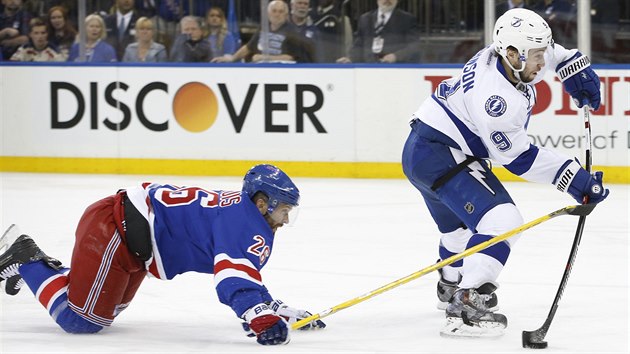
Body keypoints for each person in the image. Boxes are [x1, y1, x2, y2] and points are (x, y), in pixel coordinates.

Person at [401, 8, 608, 337]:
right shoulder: (496, 100)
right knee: (502, 221)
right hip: (443, 156)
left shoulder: (504, 54)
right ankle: (466, 306)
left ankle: (449, 285)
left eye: (541, 54)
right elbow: (517, 158)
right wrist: (574, 177)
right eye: (536, 57)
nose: (542, 63)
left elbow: (545, 49)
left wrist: (572, 67)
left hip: (421, 151)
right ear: (512, 54)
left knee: (459, 232)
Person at [0, 164, 325, 345]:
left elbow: (245, 275)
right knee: (81, 320)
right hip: (114, 230)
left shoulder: (247, 217)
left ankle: (47, 271)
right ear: (261, 202)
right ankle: (25, 257)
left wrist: (269, 309)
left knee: (109, 309)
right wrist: (258, 316)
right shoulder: (246, 224)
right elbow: (232, 279)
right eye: (283, 210)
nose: (285, 220)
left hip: (131, 243)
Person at [212, 0, 313, 64]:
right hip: (261, 69)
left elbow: (291, 58)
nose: (277, 14)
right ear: (268, 14)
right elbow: (249, 47)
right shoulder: (264, 28)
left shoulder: (292, 31)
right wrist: (232, 58)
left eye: (281, 11)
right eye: (274, 11)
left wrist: (265, 58)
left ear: (286, 15)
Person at [337, 0, 420, 64]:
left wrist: (395, 56)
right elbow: (358, 46)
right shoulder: (365, 19)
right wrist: (350, 59)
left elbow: (414, 46)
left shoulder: (407, 19)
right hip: (368, 71)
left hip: (394, 71)